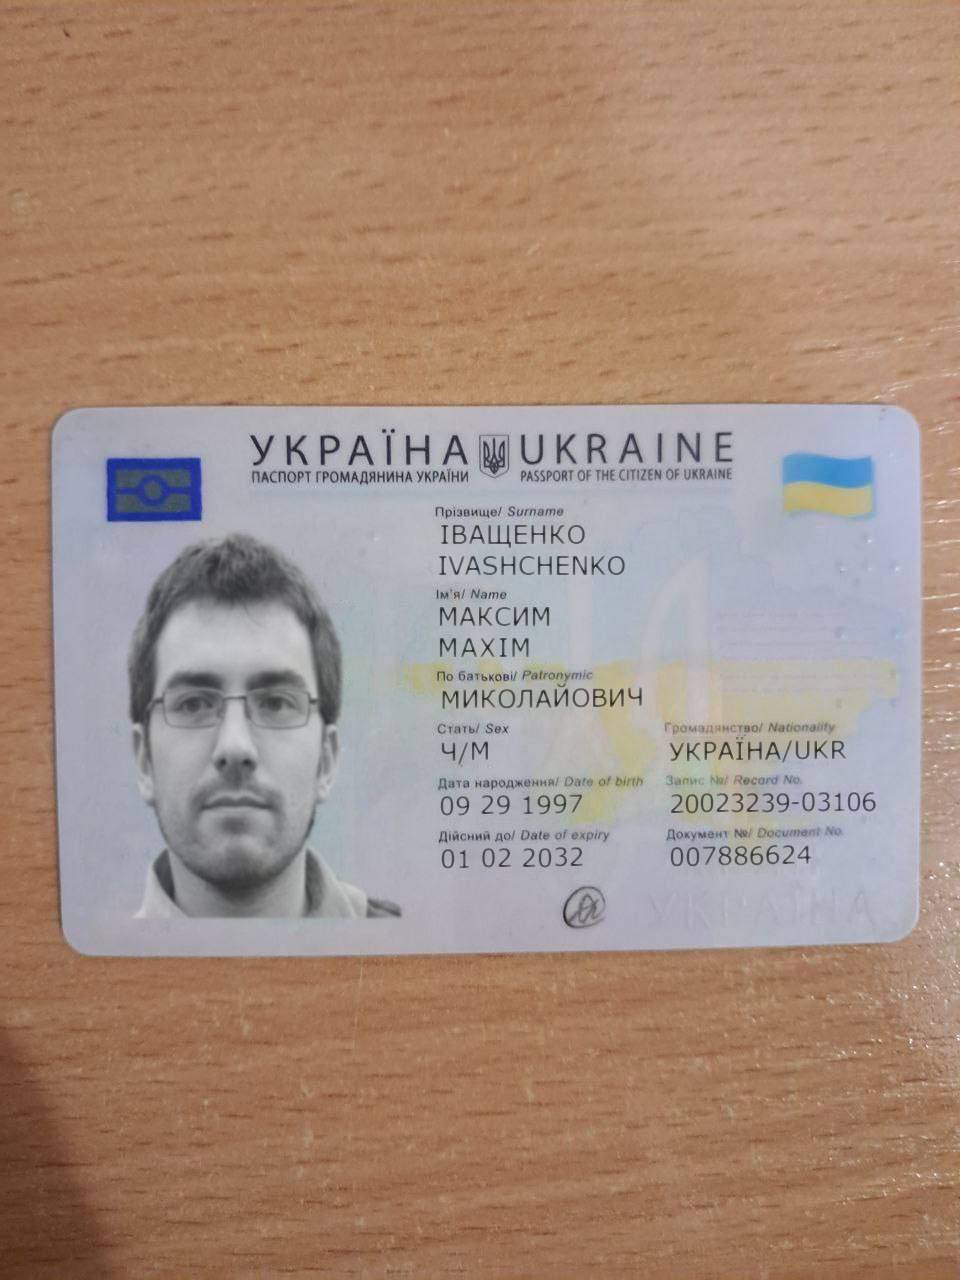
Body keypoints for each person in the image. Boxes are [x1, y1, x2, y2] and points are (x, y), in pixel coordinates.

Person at [128, 533, 400, 919]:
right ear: (144, 761)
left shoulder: (419, 945)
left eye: (275, 703)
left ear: (326, 761)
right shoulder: (86, 955)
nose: (235, 746)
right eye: (193, 704)